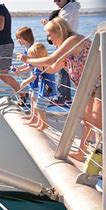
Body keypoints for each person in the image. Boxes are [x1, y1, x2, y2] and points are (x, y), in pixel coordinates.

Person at [17, 17, 102, 161]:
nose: (49, 39)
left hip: (100, 84)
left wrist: (27, 59)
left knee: (97, 121)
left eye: (50, 35)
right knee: (87, 120)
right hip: (89, 87)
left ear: (60, 31)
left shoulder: (73, 40)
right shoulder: (67, 51)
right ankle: (82, 153)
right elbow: (51, 69)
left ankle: (100, 157)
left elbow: (50, 60)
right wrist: (30, 67)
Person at [41, 0, 81, 104]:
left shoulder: (69, 8)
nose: (55, 2)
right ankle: (67, 97)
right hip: (66, 42)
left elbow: (60, 26)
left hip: (65, 43)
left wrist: (47, 23)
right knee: (65, 71)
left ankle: (60, 98)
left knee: (62, 71)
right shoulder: (69, 7)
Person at [19, 43, 57, 131]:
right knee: (38, 106)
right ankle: (39, 123)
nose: (31, 60)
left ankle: (44, 124)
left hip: (48, 90)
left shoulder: (42, 66)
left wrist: (25, 82)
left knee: (40, 107)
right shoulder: (41, 65)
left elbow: (34, 75)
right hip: (44, 89)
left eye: (32, 57)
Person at [11, 27, 35, 106]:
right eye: (17, 38)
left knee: (33, 91)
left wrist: (20, 71)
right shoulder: (26, 48)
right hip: (31, 73)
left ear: (26, 37)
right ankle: (25, 97)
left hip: (35, 75)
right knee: (28, 88)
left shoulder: (31, 49)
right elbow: (27, 64)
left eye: (19, 38)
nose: (18, 40)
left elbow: (32, 66)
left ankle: (27, 100)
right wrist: (19, 68)